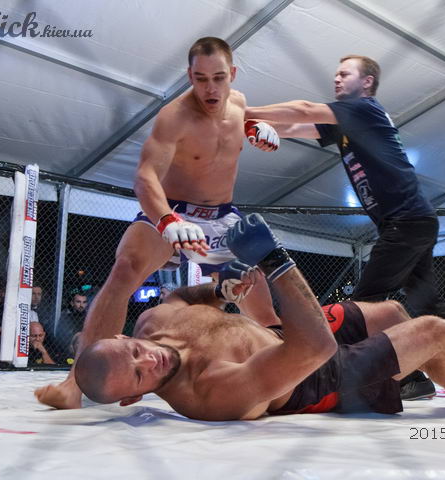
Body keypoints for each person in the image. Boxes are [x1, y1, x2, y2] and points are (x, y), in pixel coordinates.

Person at [73, 214, 445, 420]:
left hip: (271, 335)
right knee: (435, 331)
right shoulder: (209, 393)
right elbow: (315, 348)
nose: (148, 359)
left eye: (134, 352)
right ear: (135, 398)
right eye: (139, 375)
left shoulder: (154, 323)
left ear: (128, 336)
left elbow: (182, 295)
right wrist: (275, 260)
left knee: (391, 311)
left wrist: (220, 290)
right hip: (314, 377)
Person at [35, 37, 280, 409]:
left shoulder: (240, 105)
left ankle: (288, 373)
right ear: (190, 76)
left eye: (218, 78)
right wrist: (167, 220)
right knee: (125, 267)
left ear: (232, 74)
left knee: (253, 287)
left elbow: (292, 113)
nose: (210, 89)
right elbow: (145, 175)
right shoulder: (174, 115)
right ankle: (74, 384)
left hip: (221, 215)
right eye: (200, 79)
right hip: (174, 208)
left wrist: (263, 127)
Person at [244, 54, 445, 397]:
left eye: (345, 74)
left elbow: (304, 110)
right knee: (428, 303)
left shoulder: (363, 109)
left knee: (365, 305)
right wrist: (258, 127)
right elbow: (297, 128)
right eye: (336, 73)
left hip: (406, 222)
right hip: (412, 221)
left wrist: (243, 112)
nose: (336, 79)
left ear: (367, 82)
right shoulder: (347, 121)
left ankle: (407, 377)